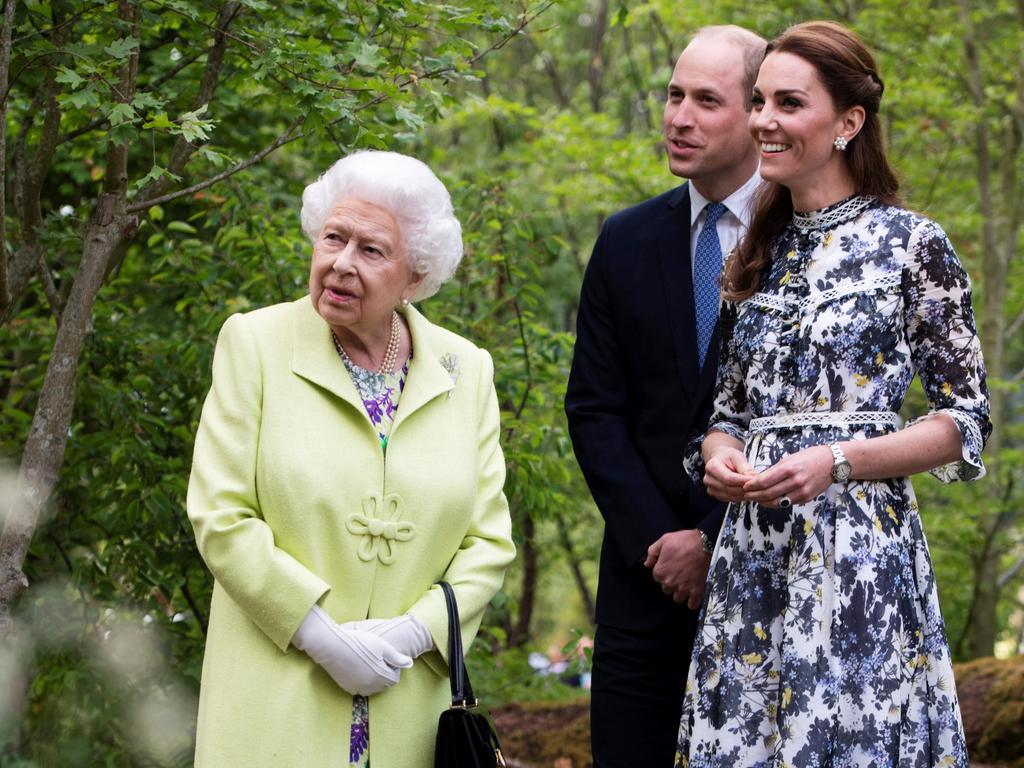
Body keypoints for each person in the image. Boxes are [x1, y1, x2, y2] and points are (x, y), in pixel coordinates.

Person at [675, 21, 990, 768]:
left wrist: (839, 461)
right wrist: (721, 458)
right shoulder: (756, 250)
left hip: (860, 558)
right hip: (752, 559)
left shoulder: (912, 244)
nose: (763, 122)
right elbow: (724, 416)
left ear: (848, 122)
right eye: (758, 101)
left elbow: (965, 421)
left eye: (788, 103)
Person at [186, 150, 516, 767]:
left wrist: (414, 631)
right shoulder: (254, 344)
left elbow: (488, 541)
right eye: (333, 238)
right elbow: (220, 513)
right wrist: (316, 633)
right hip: (275, 699)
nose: (340, 263)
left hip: (409, 702)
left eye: (371, 250)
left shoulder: (464, 369)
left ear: (414, 277)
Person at [564, 25, 766, 766]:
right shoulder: (625, 239)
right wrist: (665, 545)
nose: (679, 116)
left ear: (758, 113)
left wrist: (713, 540)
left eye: (706, 100)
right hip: (640, 585)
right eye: (674, 95)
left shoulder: (807, 241)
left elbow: (814, 416)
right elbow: (592, 407)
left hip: (766, 581)